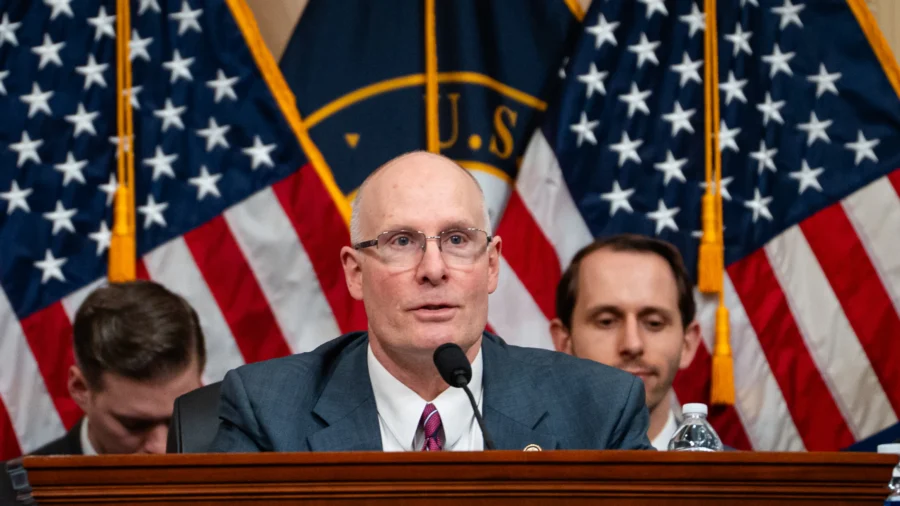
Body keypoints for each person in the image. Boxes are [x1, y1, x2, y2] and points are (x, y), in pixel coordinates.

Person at [211, 151, 652, 453]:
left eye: (457, 239)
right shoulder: (268, 412)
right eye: (402, 241)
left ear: (491, 265)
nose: (434, 269)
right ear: (355, 273)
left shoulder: (599, 408)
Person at [2, 280, 207, 502]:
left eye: (181, 417)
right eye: (134, 424)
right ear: (80, 389)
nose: (162, 448)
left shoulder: (237, 479)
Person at [550, 234, 702, 450]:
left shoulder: (733, 472)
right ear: (564, 342)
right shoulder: (522, 469)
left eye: (654, 323)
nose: (632, 344)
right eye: (606, 321)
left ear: (687, 343)